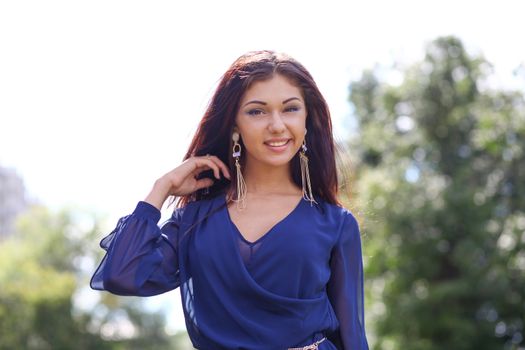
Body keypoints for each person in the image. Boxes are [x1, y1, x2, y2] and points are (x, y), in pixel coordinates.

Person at [90, 50, 369, 350]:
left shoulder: (335, 224)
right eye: (257, 111)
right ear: (234, 124)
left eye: (290, 109)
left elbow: (352, 337)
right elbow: (122, 276)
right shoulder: (195, 221)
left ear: (306, 120)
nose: (276, 125)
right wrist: (161, 189)